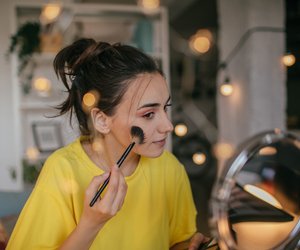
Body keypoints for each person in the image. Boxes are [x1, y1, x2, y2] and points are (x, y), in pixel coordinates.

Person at [7, 38, 207, 250]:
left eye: (165, 108)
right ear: (102, 120)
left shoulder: (170, 168)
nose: (168, 126)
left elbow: (176, 242)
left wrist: (190, 247)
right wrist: (91, 223)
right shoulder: (63, 170)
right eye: (148, 114)